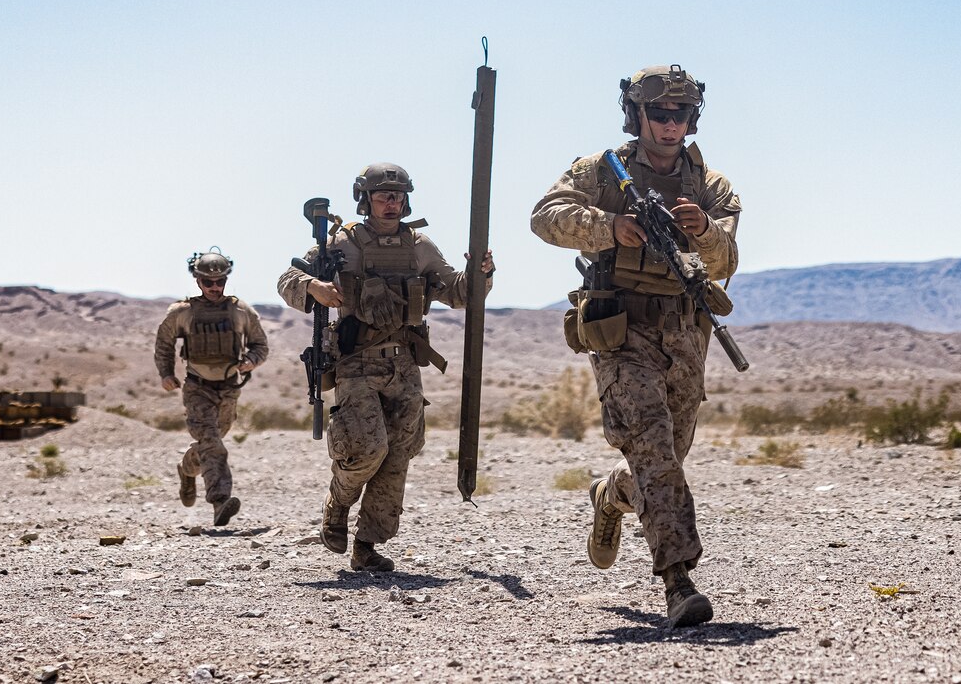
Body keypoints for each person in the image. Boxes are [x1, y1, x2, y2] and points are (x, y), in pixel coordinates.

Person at [530, 65, 741, 627]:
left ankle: (612, 496)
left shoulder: (710, 187)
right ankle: (679, 582)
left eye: (681, 116)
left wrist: (705, 231)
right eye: (660, 115)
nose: (671, 125)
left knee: (665, 458)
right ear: (638, 115)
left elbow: (727, 261)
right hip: (621, 330)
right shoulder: (603, 171)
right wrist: (609, 226)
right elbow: (545, 218)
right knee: (650, 443)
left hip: (683, 333)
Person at [277, 163, 495, 572]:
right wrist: (313, 287)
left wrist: (481, 274)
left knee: (397, 457)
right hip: (356, 363)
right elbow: (287, 278)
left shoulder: (420, 246)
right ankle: (337, 504)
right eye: (383, 196)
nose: (391, 203)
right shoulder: (341, 243)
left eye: (397, 196)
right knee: (366, 450)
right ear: (365, 199)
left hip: (405, 366)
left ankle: (367, 545)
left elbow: (459, 292)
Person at [154, 248, 269, 527]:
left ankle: (186, 469)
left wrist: (250, 361)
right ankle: (219, 502)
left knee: (212, 443)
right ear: (197, 280)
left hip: (229, 388)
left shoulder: (240, 310)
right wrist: (166, 373)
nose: (215, 288)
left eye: (220, 282)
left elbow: (260, 345)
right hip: (197, 388)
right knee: (212, 444)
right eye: (208, 283)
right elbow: (164, 344)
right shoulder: (182, 312)